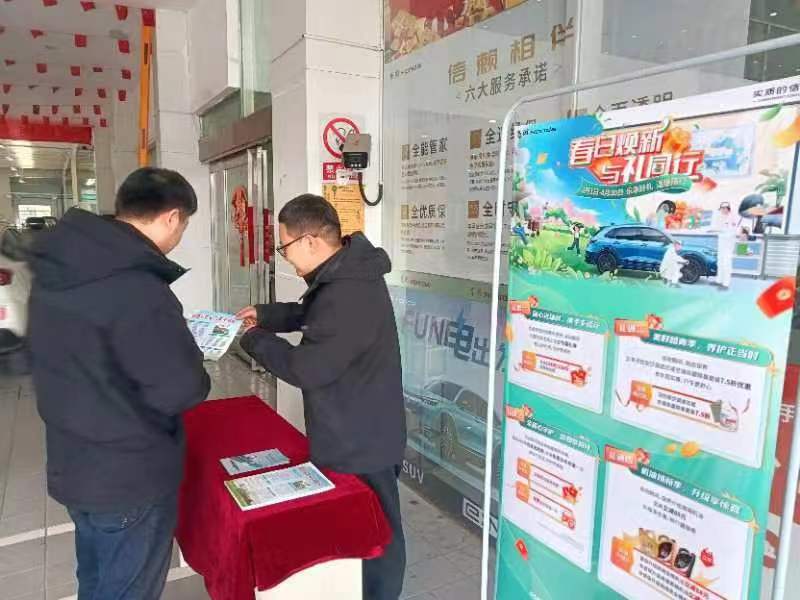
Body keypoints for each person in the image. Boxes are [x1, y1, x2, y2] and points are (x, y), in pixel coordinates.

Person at [27, 168, 211, 599]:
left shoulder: (59, 267)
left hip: (73, 461)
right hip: (129, 477)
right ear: (172, 217)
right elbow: (181, 389)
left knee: (95, 580)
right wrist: (189, 350)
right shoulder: (138, 287)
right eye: (184, 225)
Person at [237, 194, 407, 600]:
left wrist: (254, 339)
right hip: (356, 426)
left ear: (310, 241)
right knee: (360, 527)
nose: (285, 257)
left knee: (379, 534)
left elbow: (306, 369)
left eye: (285, 247)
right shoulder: (343, 274)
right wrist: (265, 314)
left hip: (363, 439)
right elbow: (310, 314)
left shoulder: (347, 291)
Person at [711, 201, 738, 289]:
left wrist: (721, 231)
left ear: (728, 209)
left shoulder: (732, 218)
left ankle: (726, 284)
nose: (722, 210)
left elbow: (732, 232)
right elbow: (717, 228)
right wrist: (716, 230)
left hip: (728, 244)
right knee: (720, 262)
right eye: (721, 208)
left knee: (726, 263)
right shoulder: (721, 217)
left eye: (724, 208)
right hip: (721, 243)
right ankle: (719, 280)